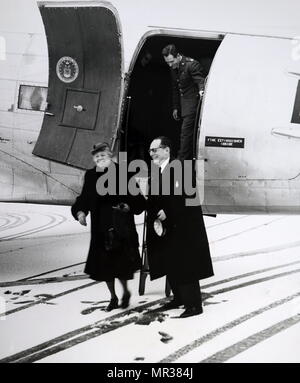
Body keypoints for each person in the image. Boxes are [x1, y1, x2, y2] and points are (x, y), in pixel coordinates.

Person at [71, 142, 145, 311]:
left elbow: (138, 199)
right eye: (96, 156)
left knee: (121, 266)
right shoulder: (91, 175)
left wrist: (129, 207)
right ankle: (113, 297)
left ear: (110, 155)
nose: (99, 158)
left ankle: (125, 291)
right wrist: (80, 212)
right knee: (105, 267)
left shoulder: (124, 173)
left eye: (102, 155)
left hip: (122, 227)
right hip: (100, 228)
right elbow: (84, 198)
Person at [146, 136, 214, 318]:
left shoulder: (180, 168)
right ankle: (179, 298)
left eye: (155, 149)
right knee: (171, 262)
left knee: (186, 265)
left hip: (184, 227)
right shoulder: (156, 171)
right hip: (167, 228)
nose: (152, 153)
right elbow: (154, 197)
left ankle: (194, 305)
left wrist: (169, 212)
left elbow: (187, 197)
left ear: (166, 150)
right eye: (150, 150)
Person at [162, 44, 206, 160]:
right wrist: (176, 107)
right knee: (185, 135)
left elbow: (200, 81)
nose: (170, 65)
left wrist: (202, 91)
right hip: (183, 106)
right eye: (167, 63)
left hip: (193, 106)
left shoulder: (191, 65)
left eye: (171, 61)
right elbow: (176, 88)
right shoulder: (173, 68)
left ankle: (181, 161)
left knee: (185, 135)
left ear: (178, 56)